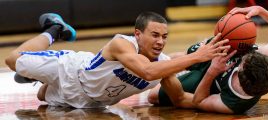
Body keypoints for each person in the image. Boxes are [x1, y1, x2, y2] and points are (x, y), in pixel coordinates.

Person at [5, 12, 230, 108]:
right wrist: (198, 56)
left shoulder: (164, 64)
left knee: (41, 96)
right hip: (70, 70)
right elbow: (148, 73)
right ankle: (55, 29)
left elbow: (180, 99)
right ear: (138, 34)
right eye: (154, 35)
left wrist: (223, 101)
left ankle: (36, 77)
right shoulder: (122, 43)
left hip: (91, 102)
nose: (160, 41)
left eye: (164, 37)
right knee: (12, 60)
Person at [148, 6, 268, 114]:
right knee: (179, 57)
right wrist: (261, 11)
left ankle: (173, 71)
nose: (246, 55)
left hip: (209, 81)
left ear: (240, 70)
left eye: (245, 59)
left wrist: (211, 73)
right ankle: (164, 62)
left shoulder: (232, 103)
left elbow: (198, 101)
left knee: (153, 96)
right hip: (224, 47)